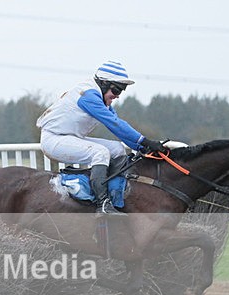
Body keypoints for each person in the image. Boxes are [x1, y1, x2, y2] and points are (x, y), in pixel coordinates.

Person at [36, 60, 166, 215]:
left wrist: (143, 148)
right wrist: (145, 141)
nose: (117, 96)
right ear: (104, 83)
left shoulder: (100, 98)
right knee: (101, 152)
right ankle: (102, 204)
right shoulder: (89, 96)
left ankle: (114, 195)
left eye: (121, 91)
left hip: (69, 137)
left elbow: (119, 129)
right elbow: (114, 124)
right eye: (116, 90)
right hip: (54, 140)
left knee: (117, 149)